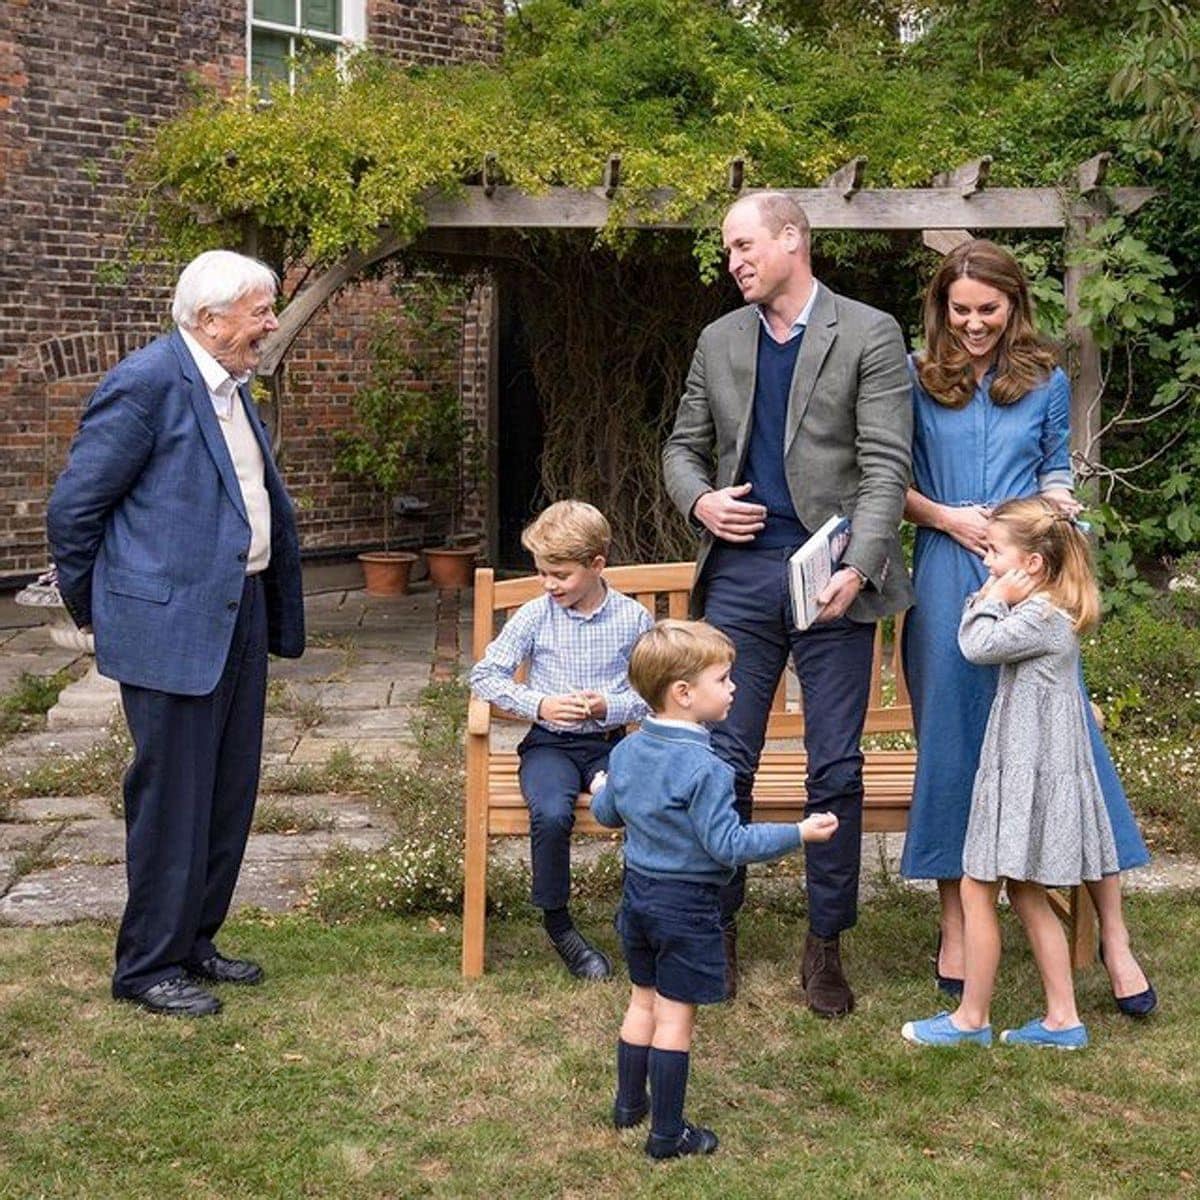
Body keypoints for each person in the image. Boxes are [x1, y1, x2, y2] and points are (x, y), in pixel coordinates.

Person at [662, 191, 912, 1016]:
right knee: (723, 762)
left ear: (792, 241)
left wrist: (863, 566)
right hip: (739, 577)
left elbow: (884, 468)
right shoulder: (718, 340)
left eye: (743, 245)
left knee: (834, 767)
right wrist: (700, 501)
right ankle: (718, 928)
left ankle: (825, 944)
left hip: (833, 580)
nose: (732, 261)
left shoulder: (869, 332)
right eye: (728, 249)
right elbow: (680, 446)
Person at [899, 239, 1155, 1017]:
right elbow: (889, 478)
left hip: (1031, 575)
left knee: (1068, 741)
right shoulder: (914, 377)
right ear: (942, 307)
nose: (975, 324)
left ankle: (1112, 935)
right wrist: (948, 517)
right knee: (954, 741)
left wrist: (1054, 506)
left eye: (989, 309)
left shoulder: (1042, 379)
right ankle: (955, 923)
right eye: (961, 309)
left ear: (1015, 306)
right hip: (948, 572)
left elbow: (1055, 466)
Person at [46, 249, 305, 1017]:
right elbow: (75, 510)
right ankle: (145, 967)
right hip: (172, 625)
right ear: (209, 319)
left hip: (239, 613)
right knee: (172, 800)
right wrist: (102, 609)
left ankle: (194, 941)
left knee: (227, 792)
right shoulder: (148, 382)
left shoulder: (230, 387)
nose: (269, 324)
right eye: (259, 311)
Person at [592, 620, 838, 1158]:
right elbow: (728, 844)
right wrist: (798, 832)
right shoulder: (708, 768)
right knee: (675, 1018)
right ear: (684, 694)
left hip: (637, 898)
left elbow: (608, 812)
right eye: (724, 679)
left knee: (641, 1002)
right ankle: (667, 1135)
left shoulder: (628, 752)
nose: (733, 689)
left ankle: (628, 1107)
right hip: (687, 906)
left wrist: (599, 786)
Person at [902, 498, 1131, 1049]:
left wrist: (988, 600)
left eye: (996, 552)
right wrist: (998, 597)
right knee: (1026, 893)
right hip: (1024, 770)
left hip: (1027, 778)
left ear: (1031, 563)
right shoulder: (1048, 612)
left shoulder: (1040, 616)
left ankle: (970, 1019)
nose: (987, 562)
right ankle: (1062, 1019)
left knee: (979, 890)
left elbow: (975, 646)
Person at [469, 500, 652, 980]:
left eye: (560, 575)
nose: (549, 584)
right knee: (551, 813)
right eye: (542, 573)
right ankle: (559, 925)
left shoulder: (632, 620)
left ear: (597, 565)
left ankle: (634, 915)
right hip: (549, 746)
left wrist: (607, 706)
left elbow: (653, 693)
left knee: (640, 805)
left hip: (611, 746)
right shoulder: (536, 615)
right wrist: (539, 705)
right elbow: (484, 676)